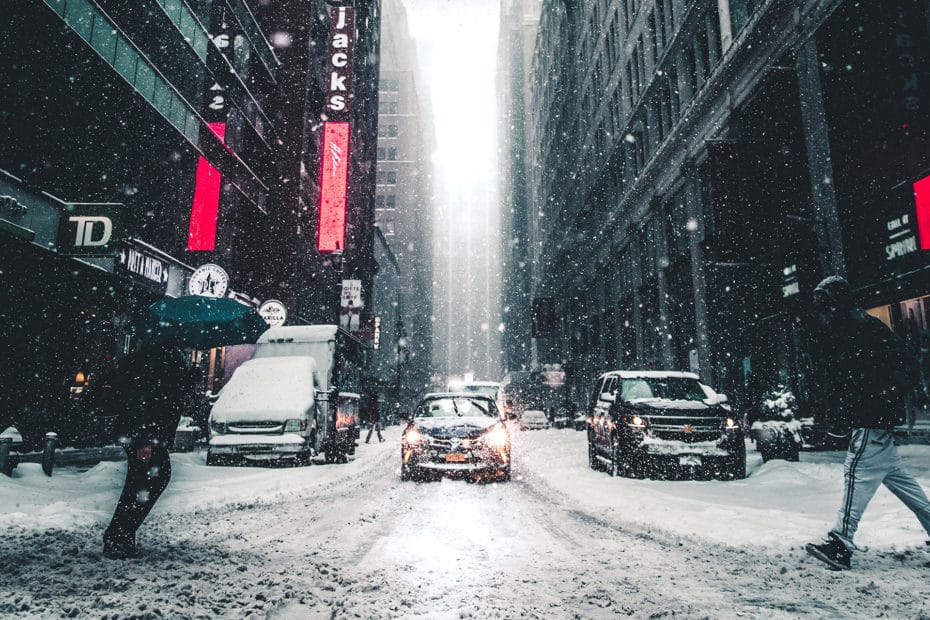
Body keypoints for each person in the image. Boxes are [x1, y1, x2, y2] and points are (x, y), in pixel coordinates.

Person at [805, 276, 930, 570]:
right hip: (875, 419)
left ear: (835, 306)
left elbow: (903, 366)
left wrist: (885, 391)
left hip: (871, 420)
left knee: (855, 476)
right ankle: (841, 542)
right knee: (905, 486)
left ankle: (840, 544)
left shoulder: (860, 330)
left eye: (825, 307)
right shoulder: (857, 328)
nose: (822, 314)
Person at [102, 338, 189, 559]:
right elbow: (142, 398)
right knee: (147, 480)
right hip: (145, 434)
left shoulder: (162, 356)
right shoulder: (157, 358)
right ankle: (118, 536)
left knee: (142, 481)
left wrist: (188, 378)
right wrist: (144, 438)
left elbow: (165, 394)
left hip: (147, 433)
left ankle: (120, 536)